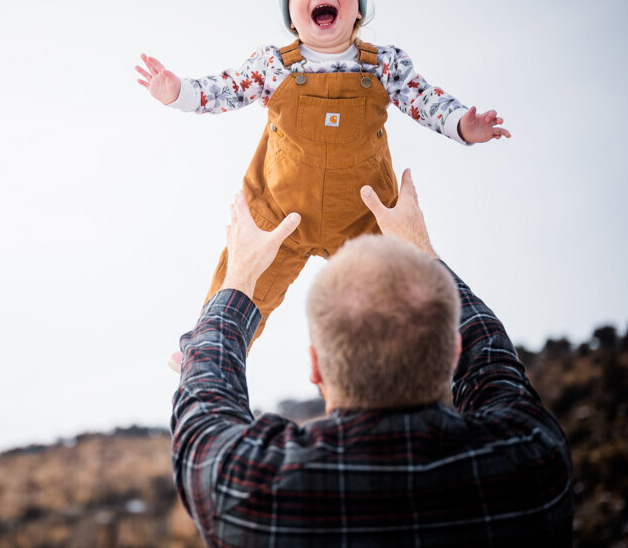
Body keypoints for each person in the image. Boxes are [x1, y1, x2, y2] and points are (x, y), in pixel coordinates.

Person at [136, 0, 511, 359]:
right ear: (292, 17)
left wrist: (463, 124)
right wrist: (179, 92)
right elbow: (224, 90)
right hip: (280, 211)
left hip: (361, 215)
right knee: (245, 282)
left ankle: (417, 361)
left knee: (391, 297)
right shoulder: (274, 64)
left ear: (359, 8)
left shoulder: (383, 64)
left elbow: (425, 100)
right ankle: (206, 352)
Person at [170, 169, 573, 546]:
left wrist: (238, 277)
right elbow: (492, 357)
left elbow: (206, 399)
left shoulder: (247, 492)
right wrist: (422, 252)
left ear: (316, 367)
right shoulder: (534, 461)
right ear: (453, 352)